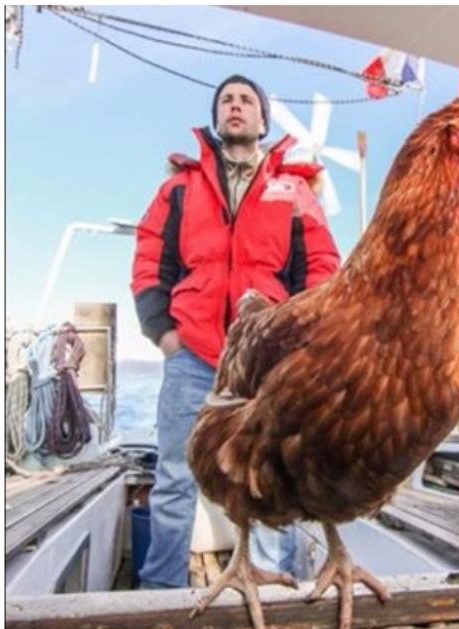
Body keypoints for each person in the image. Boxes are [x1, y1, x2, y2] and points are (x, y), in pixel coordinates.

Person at [130, 74, 340, 589]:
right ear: (217, 118)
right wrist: (163, 332)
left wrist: (300, 339)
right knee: (175, 475)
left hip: (268, 359)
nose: (236, 106)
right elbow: (149, 258)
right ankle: (161, 590)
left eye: (247, 100)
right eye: (227, 100)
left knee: (272, 476)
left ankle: (279, 588)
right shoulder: (179, 187)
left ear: (263, 120)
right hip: (193, 352)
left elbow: (321, 265)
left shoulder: (293, 189)